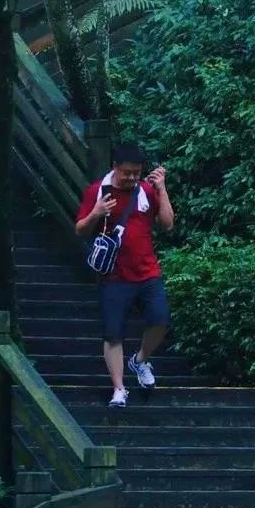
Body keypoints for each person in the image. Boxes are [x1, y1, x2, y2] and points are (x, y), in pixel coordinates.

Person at [75, 141, 175, 407]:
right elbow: (80, 230)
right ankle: (119, 388)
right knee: (113, 333)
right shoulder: (97, 191)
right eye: (127, 172)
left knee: (160, 320)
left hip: (147, 271)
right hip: (114, 276)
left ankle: (140, 360)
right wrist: (96, 213)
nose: (132, 177)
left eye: (136, 172)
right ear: (115, 167)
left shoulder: (145, 191)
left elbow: (167, 224)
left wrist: (161, 189)